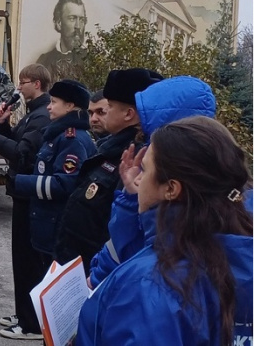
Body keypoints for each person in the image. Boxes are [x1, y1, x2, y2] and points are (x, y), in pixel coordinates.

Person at [75, 117, 253, 345]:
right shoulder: (235, 253)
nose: (138, 178)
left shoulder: (151, 284)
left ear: (171, 189)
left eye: (146, 169)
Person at [87, 76, 217, 288]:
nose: (135, 122)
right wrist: (130, 198)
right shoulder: (146, 160)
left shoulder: (196, 195)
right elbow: (125, 243)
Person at [53, 69, 163, 274]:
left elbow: (120, 228)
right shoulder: (111, 149)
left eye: (109, 107)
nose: (100, 115)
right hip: (78, 264)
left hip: (94, 270)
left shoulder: (134, 158)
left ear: (129, 114)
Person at [0, 63, 52, 340]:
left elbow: (21, 154)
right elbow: (17, 141)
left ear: (38, 84)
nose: (18, 87)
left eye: (24, 82)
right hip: (21, 192)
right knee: (21, 260)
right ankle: (24, 314)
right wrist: (0, 124)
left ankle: (32, 324)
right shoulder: (32, 114)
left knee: (28, 261)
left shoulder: (42, 117)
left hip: (28, 195)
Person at [14, 79, 96, 263]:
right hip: (47, 225)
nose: (49, 107)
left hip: (56, 226)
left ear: (69, 106)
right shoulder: (58, 134)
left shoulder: (71, 139)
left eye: (54, 102)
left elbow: (64, 184)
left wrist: (20, 182)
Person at [36, 0, 87, 80]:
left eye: (82, 19)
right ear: (59, 23)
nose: (78, 26)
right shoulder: (44, 61)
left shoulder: (91, 61)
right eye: (72, 18)